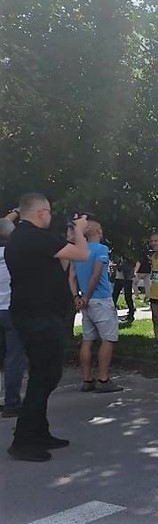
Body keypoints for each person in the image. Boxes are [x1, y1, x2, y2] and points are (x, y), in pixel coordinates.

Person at [5, 194, 89, 462]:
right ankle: (24, 441)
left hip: (32, 315)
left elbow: (62, 263)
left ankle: (39, 432)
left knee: (45, 376)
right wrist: (81, 232)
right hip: (40, 318)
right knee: (44, 377)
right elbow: (82, 254)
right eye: (49, 213)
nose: (50, 217)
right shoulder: (36, 237)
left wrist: (70, 235)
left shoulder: (19, 237)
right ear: (41, 212)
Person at [71, 220, 123, 393]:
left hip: (85, 302)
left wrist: (77, 297)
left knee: (87, 340)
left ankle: (87, 380)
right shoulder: (101, 249)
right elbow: (96, 274)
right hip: (100, 299)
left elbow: (71, 278)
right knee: (107, 339)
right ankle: (103, 378)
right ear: (97, 231)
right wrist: (87, 296)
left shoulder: (77, 251)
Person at [0, 217, 26, 419]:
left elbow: (4, 225)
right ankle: (11, 403)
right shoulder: (16, 254)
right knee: (14, 358)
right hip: (11, 310)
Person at [112, 253, 136, 323]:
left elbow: (125, 267)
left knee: (127, 296)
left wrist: (119, 265)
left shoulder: (129, 257)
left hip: (127, 279)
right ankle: (112, 313)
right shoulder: (119, 256)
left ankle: (131, 314)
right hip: (119, 278)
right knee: (114, 296)